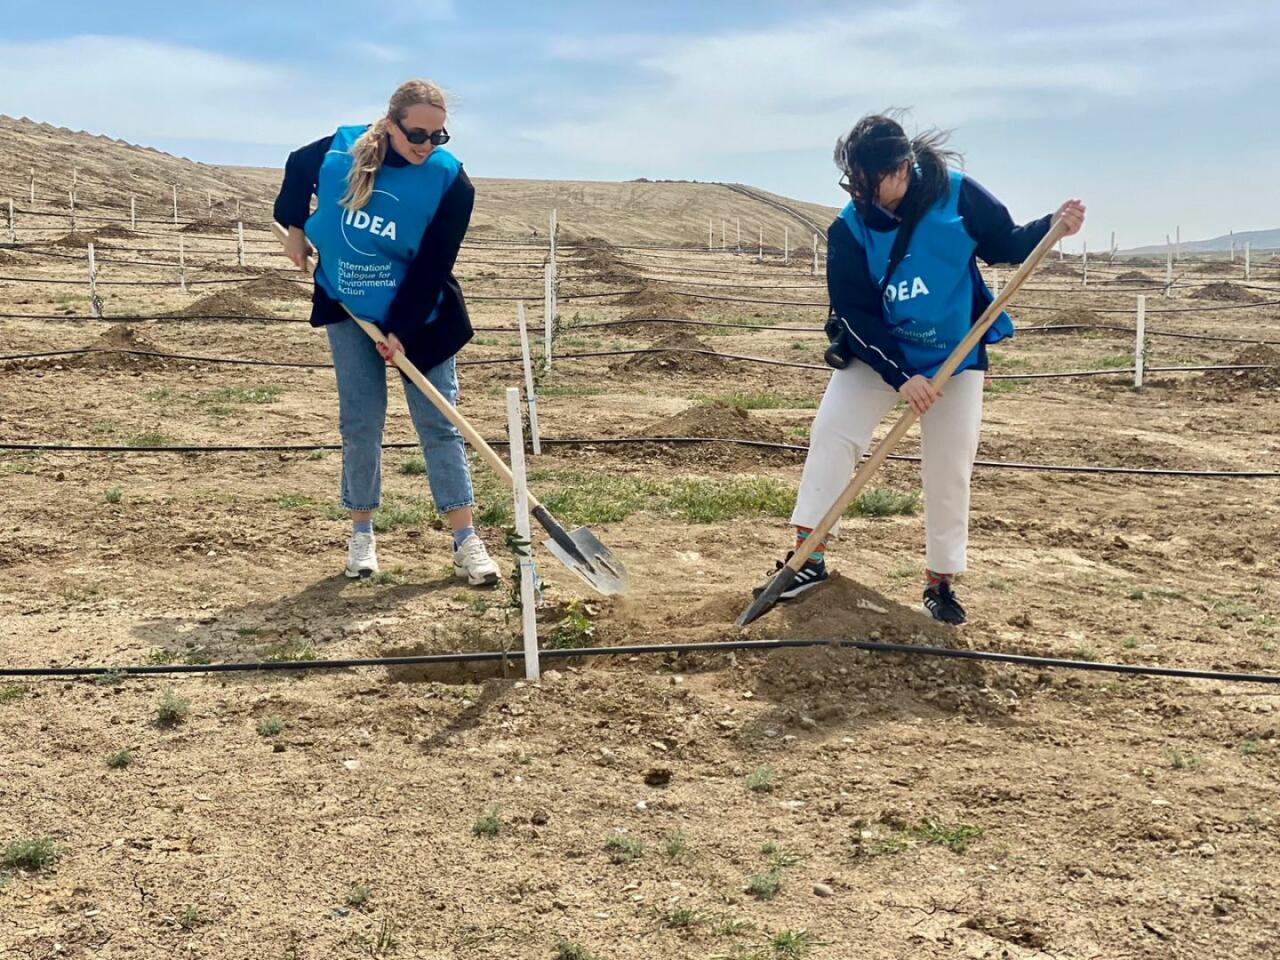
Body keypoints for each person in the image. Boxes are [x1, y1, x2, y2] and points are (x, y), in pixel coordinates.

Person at [767, 112, 1085, 624]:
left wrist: (1052, 227)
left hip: (954, 355)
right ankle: (809, 558)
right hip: (881, 353)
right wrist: (901, 376)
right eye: (854, 183)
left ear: (903, 168)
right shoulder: (848, 228)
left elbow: (1004, 243)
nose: (862, 194)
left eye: (872, 182)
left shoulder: (957, 195)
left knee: (949, 464)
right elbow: (855, 313)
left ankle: (941, 582)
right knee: (832, 432)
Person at [274, 79, 500, 585]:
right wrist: (294, 228)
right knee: (360, 424)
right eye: (417, 134)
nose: (427, 145)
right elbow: (296, 166)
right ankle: (362, 535)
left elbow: (434, 264)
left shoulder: (451, 181)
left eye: (438, 136)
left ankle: (466, 540)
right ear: (392, 124)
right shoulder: (340, 151)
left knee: (439, 423)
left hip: (422, 316)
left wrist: (401, 329)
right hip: (350, 309)